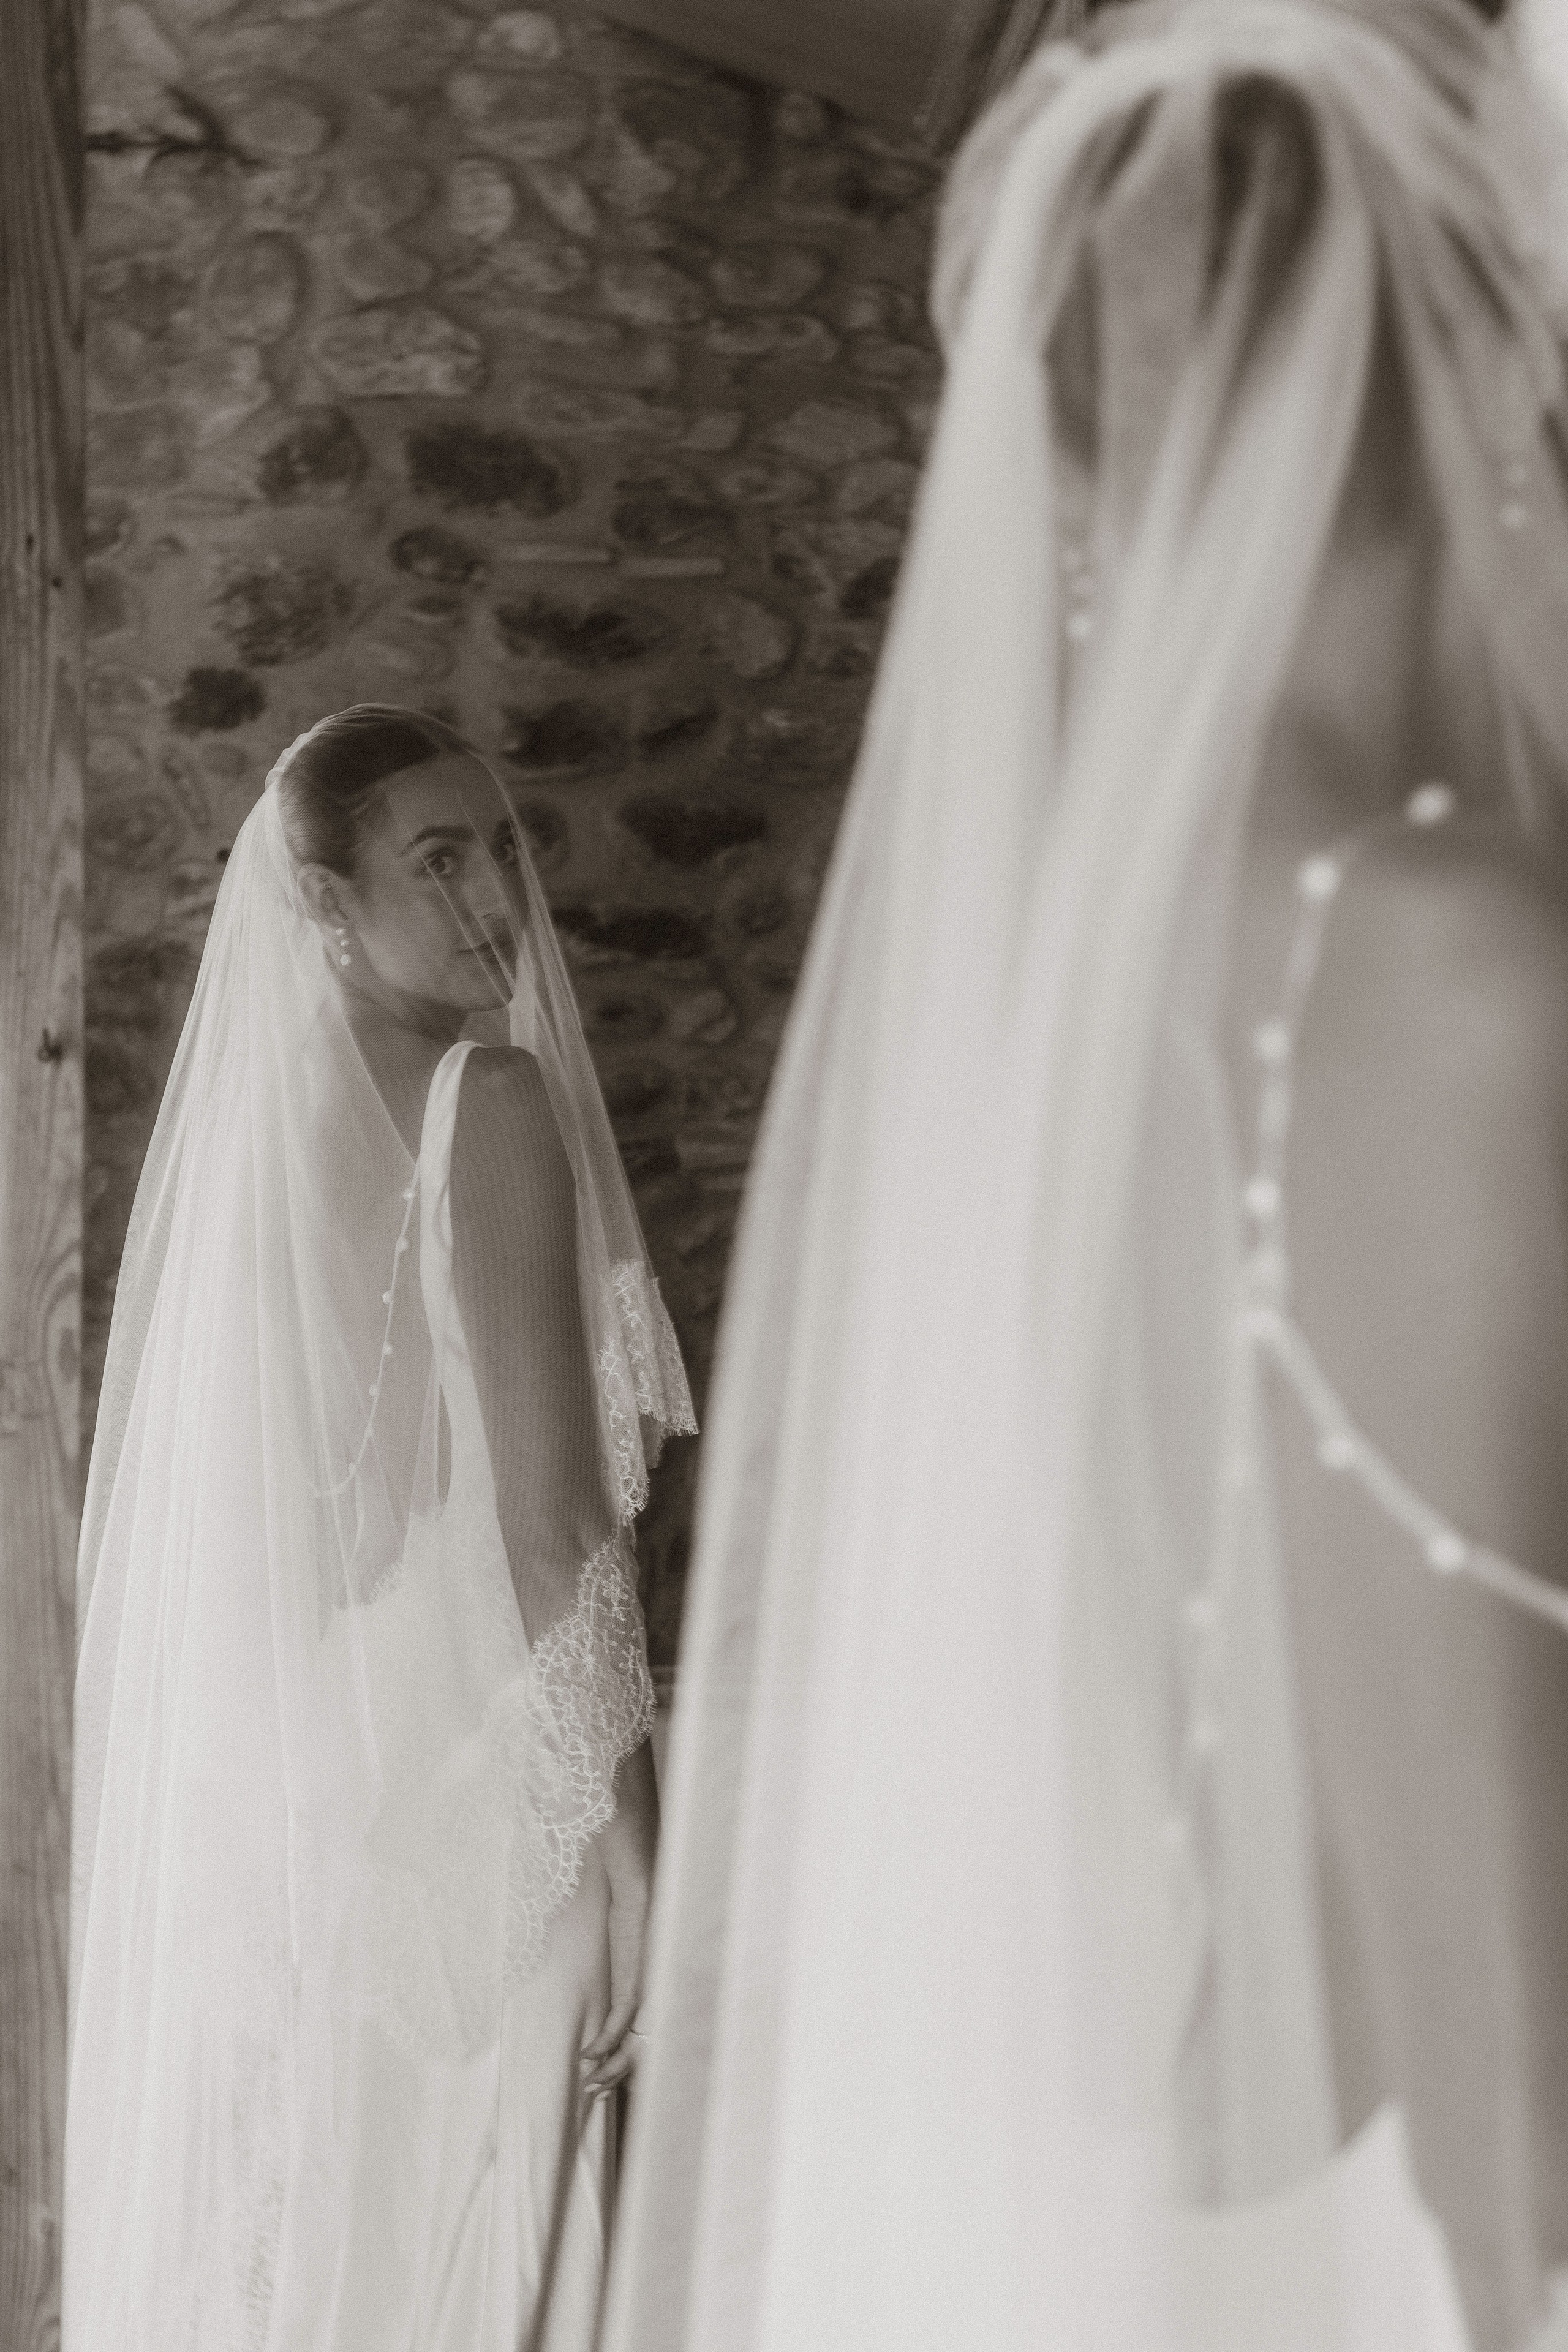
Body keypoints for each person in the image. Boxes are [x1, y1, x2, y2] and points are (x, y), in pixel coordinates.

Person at [599, 4, 1568, 2349]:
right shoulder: (1453, 975)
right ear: (1455, 380)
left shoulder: (1091, 981)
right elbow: (1495, 1947)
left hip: (1269, 2184)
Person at [62, 707, 695, 2350]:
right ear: (328, 902)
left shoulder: (262, 1139)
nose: (499, 892)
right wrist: (635, 1847)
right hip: (495, 1795)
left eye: (505, 844)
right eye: (440, 858)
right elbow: (555, 1524)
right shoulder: (487, 1098)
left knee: (329, 2248)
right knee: (484, 2268)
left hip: (302, 1800)